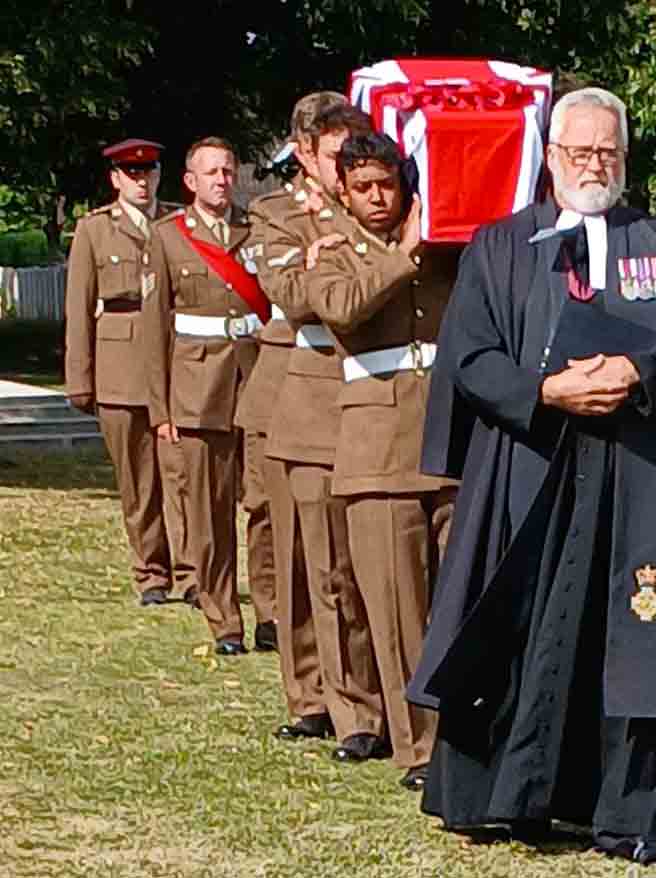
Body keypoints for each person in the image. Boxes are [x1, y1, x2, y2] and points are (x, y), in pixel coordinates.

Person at [405, 87, 656, 864]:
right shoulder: (499, 245)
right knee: (527, 628)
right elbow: (471, 358)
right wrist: (546, 390)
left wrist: (636, 368)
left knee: (636, 635)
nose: (594, 166)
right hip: (534, 466)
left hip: (638, 474)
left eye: (607, 153)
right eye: (579, 152)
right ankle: (512, 801)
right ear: (550, 157)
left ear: (624, 158)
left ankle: (628, 815)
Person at [302, 133, 459, 790]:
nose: (375, 198)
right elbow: (340, 309)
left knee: (460, 599)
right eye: (362, 187)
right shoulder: (331, 252)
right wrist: (405, 251)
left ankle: (467, 737)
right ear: (343, 189)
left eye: (386, 186)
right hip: (377, 453)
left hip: (451, 441)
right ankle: (418, 747)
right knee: (397, 612)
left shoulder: (451, 245)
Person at [249, 97, 386, 750]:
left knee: (377, 564)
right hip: (315, 400)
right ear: (303, 154)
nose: (353, 166)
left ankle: (379, 695)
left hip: (384, 397)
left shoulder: (385, 200)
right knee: (324, 567)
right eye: (338, 155)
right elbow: (296, 298)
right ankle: (343, 708)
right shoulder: (277, 214)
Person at [140, 136, 275, 655]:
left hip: (255, 377)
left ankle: (271, 611)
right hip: (198, 390)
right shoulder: (169, 238)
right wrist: (161, 408)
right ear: (190, 182)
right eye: (210, 172)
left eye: (227, 170)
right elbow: (154, 333)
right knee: (210, 510)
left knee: (264, 504)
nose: (221, 179)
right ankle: (223, 618)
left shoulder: (255, 230)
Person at [64, 139, 191, 608]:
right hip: (120, 365)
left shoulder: (179, 223)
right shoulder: (95, 229)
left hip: (175, 362)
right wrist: (80, 377)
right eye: (131, 174)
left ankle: (192, 571)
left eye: (149, 173)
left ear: (160, 176)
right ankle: (150, 573)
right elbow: (78, 307)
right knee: (138, 482)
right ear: (115, 179)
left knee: (181, 475)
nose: (141, 181)